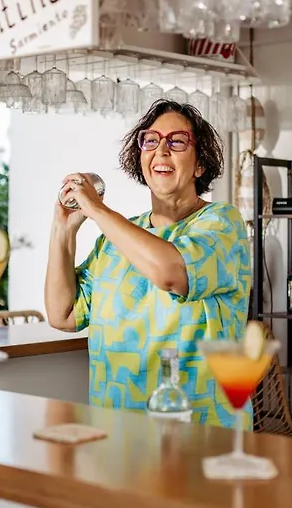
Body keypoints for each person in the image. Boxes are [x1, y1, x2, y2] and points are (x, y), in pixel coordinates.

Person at [44, 100, 252, 428]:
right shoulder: (117, 237)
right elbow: (63, 315)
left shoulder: (222, 223)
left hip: (199, 433)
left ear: (200, 165)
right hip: (116, 435)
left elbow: (170, 273)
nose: (161, 150)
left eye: (177, 141)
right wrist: (63, 231)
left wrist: (98, 210)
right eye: (150, 141)